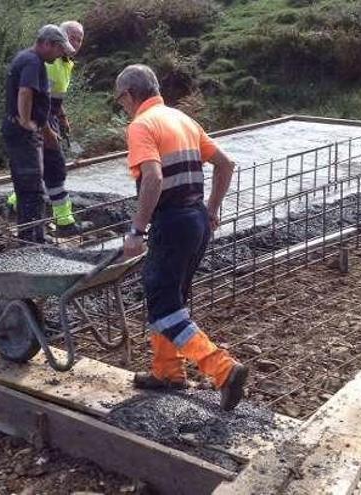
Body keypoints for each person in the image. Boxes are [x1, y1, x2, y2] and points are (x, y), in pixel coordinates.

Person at [115, 64, 248, 411]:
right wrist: (212, 209)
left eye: (121, 101)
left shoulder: (141, 125)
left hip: (172, 223)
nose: (122, 107)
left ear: (129, 95)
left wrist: (136, 231)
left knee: (163, 303)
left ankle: (222, 369)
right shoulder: (182, 119)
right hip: (195, 221)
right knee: (172, 301)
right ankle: (168, 372)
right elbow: (226, 164)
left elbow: (153, 179)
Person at [6, 21, 90, 237]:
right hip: (37, 125)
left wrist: (60, 116)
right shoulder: (38, 62)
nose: (74, 45)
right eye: (70, 40)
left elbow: (51, 98)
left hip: (44, 121)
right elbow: (27, 95)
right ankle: (41, 231)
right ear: (50, 44)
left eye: (80, 39)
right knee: (40, 175)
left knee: (36, 176)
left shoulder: (61, 62)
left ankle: (35, 229)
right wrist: (35, 125)